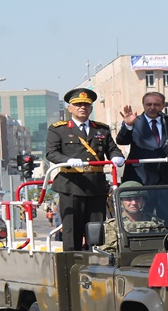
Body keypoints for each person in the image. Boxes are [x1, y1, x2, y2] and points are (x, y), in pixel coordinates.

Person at [45, 88, 125, 251]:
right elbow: (51, 153)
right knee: (72, 229)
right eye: (78, 104)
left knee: (96, 229)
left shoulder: (101, 129)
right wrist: (68, 161)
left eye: (86, 105)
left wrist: (117, 157)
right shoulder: (58, 129)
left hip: (96, 185)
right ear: (70, 108)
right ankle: (72, 265)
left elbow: (112, 149)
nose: (83, 107)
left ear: (91, 108)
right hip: (71, 185)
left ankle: (96, 261)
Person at [117, 92, 168, 226]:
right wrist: (128, 126)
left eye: (156, 104)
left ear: (163, 106)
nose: (152, 107)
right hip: (141, 179)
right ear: (143, 105)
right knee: (143, 216)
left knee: (167, 218)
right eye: (149, 104)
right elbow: (121, 140)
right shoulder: (135, 122)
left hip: (166, 179)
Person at [100, 181, 166, 252]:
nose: (134, 203)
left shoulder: (155, 222)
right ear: (121, 203)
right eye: (129, 199)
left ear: (143, 201)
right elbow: (109, 254)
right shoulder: (113, 226)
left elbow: (165, 248)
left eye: (137, 198)